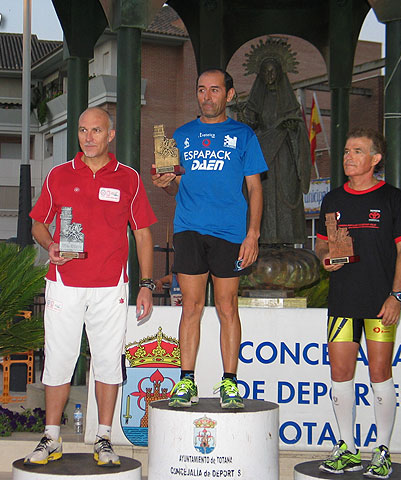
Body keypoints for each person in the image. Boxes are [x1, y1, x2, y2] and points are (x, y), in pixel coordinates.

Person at [26, 107, 156, 467]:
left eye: (96, 130)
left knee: (108, 363)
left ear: (110, 135)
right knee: (58, 360)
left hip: (110, 286)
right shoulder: (59, 175)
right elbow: (38, 223)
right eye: (83, 130)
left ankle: (104, 438)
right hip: (64, 284)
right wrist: (50, 244)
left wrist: (146, 284)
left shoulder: (128, 177)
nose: (88, 137)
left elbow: (143, 234)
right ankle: (51, 437)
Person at [152, 69, 268, 409]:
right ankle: (186, 381)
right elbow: (174, 187)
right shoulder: (181, 135)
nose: (207, 96)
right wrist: (165, 183)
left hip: (230, 232)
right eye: (202, 89)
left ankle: (230, 382)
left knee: (227, 306)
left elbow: (255, 189)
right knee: (191, 306)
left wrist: (253, 234)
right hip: (189, 228)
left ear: (229, 95)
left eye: (215, 90)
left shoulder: (243, 135)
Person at [315, 128, 401, 479]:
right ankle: (347, 448)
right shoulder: (332, 200)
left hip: (380, 302)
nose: (348, 157)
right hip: (343, 301)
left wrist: (397, 295)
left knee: (379, 373)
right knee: (340, 374)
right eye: (346, 151)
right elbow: (322, 244)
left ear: (375, 159)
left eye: (357, 151)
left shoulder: (393, 198)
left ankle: (382, 451)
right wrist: (326, 256)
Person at [244, 56, 311, 245]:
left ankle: (286, 239)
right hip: (262, 156)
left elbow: (299, 128)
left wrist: (292, 127)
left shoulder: (289, 102)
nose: (270, 75)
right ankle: (263, 238)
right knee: (261, 193)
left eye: (273, 71)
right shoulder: (255, 102)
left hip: (284, 156)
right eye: (266, 72)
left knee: (285, 193)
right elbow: (247, 127)